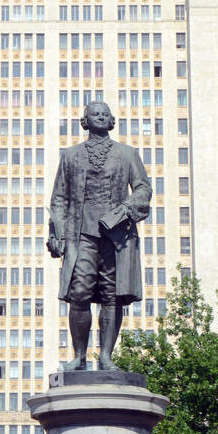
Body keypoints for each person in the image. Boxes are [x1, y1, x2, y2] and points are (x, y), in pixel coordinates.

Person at [47, 100, 151, 370]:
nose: (101, 116)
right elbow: (59, 198)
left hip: (117, 237)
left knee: (112, 295)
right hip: (81, 234)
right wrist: (56, 232)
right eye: (96, 113)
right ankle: (80, 357)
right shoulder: (70, 156)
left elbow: (143, 188)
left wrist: (127, 210)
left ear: (112, 120)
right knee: (79, 293)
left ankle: (105, 356)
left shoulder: (127, 154)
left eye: (106, 113)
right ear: (85, 120)